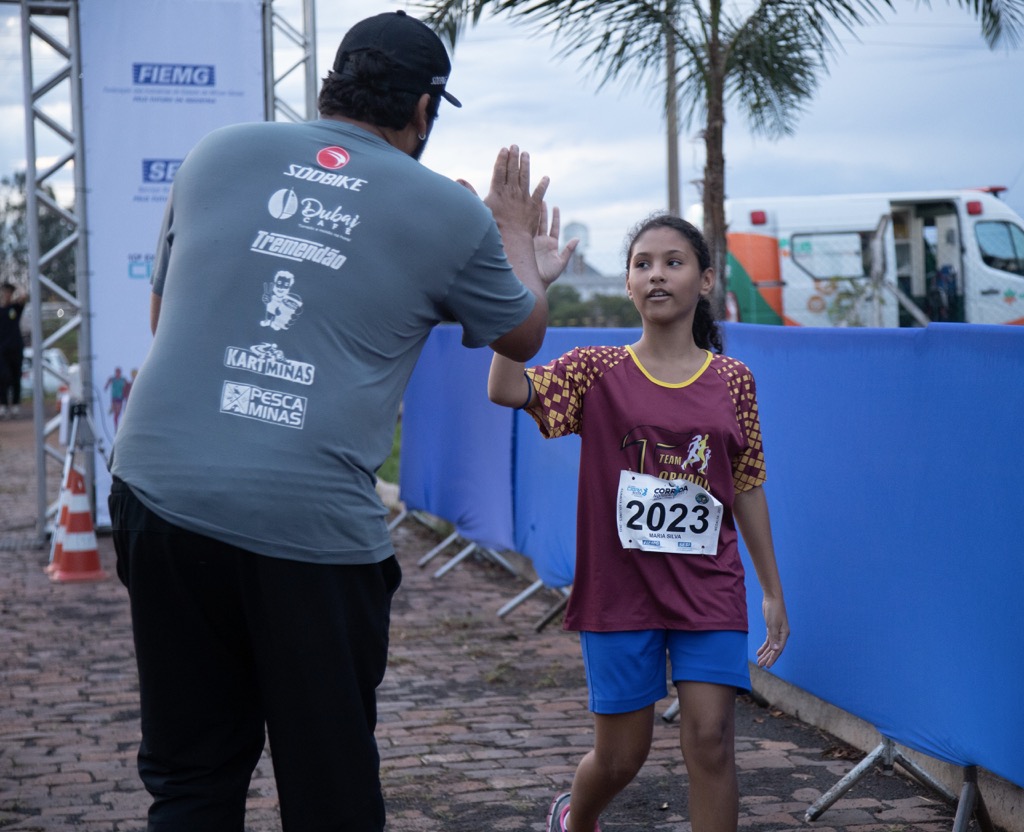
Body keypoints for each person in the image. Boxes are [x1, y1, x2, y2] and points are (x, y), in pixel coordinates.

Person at [107, 11, 560, 831]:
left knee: (191, 779)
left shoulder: (217, 153)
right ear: (424, 109)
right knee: (330, 792)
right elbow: (523, 334)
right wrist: (515, 237)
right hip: (307, 524)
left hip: (159, 490)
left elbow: (161, 321)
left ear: (332, 85)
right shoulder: (446, 212)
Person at [488, 213, 791, 832]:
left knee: (711, 740)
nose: (656, 275)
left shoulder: (733, 380)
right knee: (622, 757)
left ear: (705, 280)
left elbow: (747, 483)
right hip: (619, 592)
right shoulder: (595, 370)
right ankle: (575, 820)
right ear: (627, 284)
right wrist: (525, 287)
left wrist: (771, 589)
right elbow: (506, 388)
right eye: (642, 264)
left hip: (709, 587)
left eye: (673, 262)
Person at [0, 281, 28, 419]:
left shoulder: (15, 308)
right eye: (4, 292)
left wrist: (16, 284)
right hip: (1, 349)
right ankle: (3, 405)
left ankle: (15, 405)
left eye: (9, 292)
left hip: (16, 348)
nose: (6, 294)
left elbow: (23, 296)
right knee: (3, 377)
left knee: (16, 376)